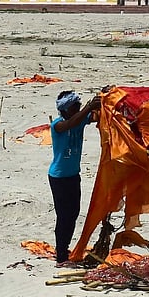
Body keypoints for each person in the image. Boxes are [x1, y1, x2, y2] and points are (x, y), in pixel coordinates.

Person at [49, 90, 100, 268]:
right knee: (64, 217)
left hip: (73, 176)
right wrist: (87, 107)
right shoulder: (58, 125)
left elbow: (93, 117)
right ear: (66, 109)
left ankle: (64, 250)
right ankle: (61, 257)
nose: (78, 108)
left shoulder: (79, 120)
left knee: (73, 214)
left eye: (79, 105)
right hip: (59, 177)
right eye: (75, 106)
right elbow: (72, 123)